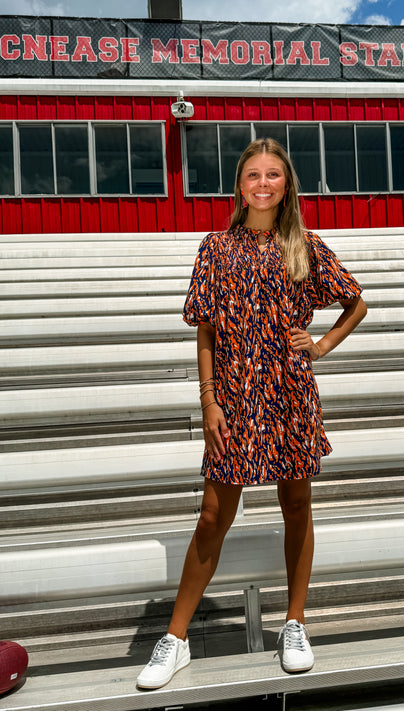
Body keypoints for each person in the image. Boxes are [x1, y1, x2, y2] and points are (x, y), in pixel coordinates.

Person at [136, 138, 367, 689]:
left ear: (287, 186)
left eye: (274, 176)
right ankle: (175, 638)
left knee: (296, 504)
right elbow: (206, 331)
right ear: (239, 184)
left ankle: (295, 622)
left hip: (289, 391)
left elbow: (356, 302)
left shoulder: (304, 245)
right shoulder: (216, 247)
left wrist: (321, 345)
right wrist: (209, 399)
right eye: (253, 175)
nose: (263, 184)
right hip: (234, 399)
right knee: (213, 515)